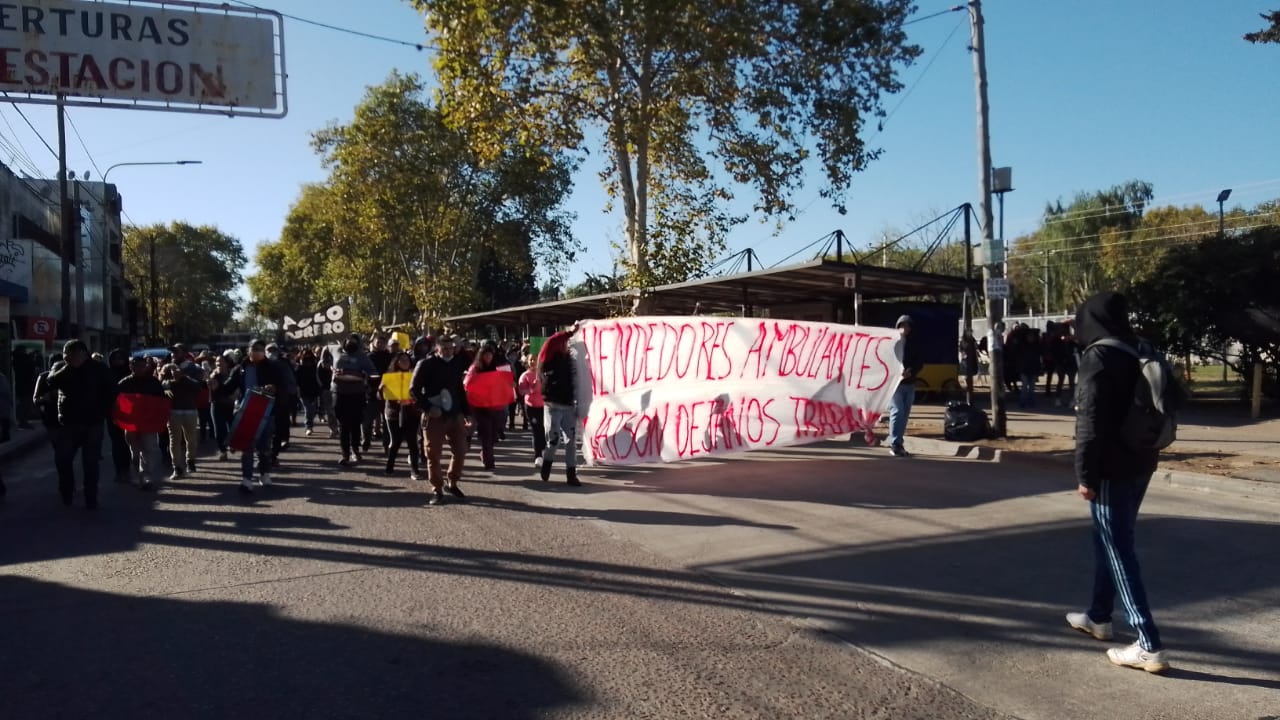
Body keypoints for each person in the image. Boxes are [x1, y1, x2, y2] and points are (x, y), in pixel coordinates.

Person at [1065, 291, 1169, 674]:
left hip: (1111, 467)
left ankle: (1148, 644)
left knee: (1118, 548)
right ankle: (1098, 617)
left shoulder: (1099, 356)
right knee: (1109, 540)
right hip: (1143, 460)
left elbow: (1089, 421)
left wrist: (1085, 474)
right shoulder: (1141, 347)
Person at [46, 340, 115, 509]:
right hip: (69, 423)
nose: (67, 357)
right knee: (63, 459)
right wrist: (68, 366)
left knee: (90, 462)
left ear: (83, 353)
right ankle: (67, 491)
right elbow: (51, 382)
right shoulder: (63, 368)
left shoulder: (99, 369)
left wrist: (103, 412)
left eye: (71, 354)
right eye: (65, 354)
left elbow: (112, 391)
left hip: (93, 423)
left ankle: (91, 496)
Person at [411, 334, 471, 506]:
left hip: (455, 414)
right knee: (433, 454)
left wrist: (467, 413)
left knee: (461, 450)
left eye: (450, 347)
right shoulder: (426, 364)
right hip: (434, 415)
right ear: (436, 348)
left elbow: (460, 390)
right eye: (444, 348)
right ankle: (437, 489)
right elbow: (413, 391)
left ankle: (452, 482)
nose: (448, 351)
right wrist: (429, 408)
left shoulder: (456, 364)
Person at [222, 339, 282, 493]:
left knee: (264, 447)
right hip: (246, 412)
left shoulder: (272, 367)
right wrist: (216, 385)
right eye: (255, 348)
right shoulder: (240, 369)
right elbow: (228, 387)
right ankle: (247, 480)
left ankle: (264, 473)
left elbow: (282, 386)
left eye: (261, 349)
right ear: (248, 350)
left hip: (267, 412)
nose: (258, 351)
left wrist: (274, 387)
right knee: (246, 447)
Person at [115, 356, 168, 491]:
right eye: (136, 365)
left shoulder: (153, 383)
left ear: (146, 366)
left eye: (142, 365)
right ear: (131, 367)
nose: (139, 368)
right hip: (131, 424)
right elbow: (117, 402)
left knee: (148, 448)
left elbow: (161, 401)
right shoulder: (124, 383)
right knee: (135, 451)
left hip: (148, 423)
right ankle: (137, 474)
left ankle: (146, 476)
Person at [537, 331, 581, 486]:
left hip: (568, 404)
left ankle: (571, 474)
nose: (565, 345)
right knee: (553, 441)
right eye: (563, 342)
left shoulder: (571, 360)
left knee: (571, 441)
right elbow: (551, 340)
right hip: (552, 405)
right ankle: (547, 463)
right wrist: (570, 332)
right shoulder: (548, 358)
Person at [464, 342, 515, 470]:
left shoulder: (498, 367)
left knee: (493, 434)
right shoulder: (475, 368)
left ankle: (485, 452)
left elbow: (506, 380)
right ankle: (489, 461)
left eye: (490, 355)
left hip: (495, 405)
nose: (488, 357)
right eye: (485, 355)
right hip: (480, 406)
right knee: (486, 432)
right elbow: (467, 383)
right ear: (481, 356)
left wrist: (511, 383)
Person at [381, 351, 422, 480]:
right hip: (394, 413)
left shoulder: (414, 376)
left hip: (411, 413)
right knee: (396, 442)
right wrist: (382, 389)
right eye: (402, 360)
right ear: (396, 362)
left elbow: (419, 393)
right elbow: (381, 395)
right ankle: (389, 467)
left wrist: (413, 400)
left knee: (412, 442)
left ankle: (415, 470)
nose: (405, 362)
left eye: (407, 360)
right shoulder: (389, 376)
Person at [333, 336, 373, 466]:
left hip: (357, 394)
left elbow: (373, 372)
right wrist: (326, 366)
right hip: (340, 394)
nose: (351, 343)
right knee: (343, 425)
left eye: (354, 342)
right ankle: (345, 454)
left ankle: (355, 450)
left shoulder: (362, 357)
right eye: (348, 341)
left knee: (355, 425)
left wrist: (362, 375)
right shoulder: (336, 352)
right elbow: (325, 356)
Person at [161, 362, 204, 479]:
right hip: (174, 412)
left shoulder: (189, 380)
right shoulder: (166, 383)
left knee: (191, 438)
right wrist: (166, 383)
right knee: (174, 440)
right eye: (172, 371)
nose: (174, 373)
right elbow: (161, 387)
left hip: (190, 411)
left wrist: (183, 377)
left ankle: (190, 460)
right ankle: (177, 467)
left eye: (176, 370)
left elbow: (198, 387)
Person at [886, 315, 921, 458]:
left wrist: (911, 371)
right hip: (895, 384)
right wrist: (899, 373)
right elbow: (888, 360)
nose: (905, 329)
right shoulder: (892, 343)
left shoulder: (914, 343)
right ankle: (894, 443)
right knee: (897, 411)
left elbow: (920, 360)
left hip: (909, 383)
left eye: (908, 326)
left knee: (904, 414)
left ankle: (899, 443)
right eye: (902, 325)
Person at [105, 350, 132, 484]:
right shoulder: (107, 374)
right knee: (116, 443)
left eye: (121, 358)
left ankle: (127, 470)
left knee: (128, 442)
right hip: (113, 413)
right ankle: (119, 471)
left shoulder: (130, 374)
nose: (119, 361)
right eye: (116, 358)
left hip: (129, 413)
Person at [365, 334, 393, 453]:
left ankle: (386, 444)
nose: (380, 344)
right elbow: (364, 373)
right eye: (378, 342)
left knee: (387, 420)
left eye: (382, 342)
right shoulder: (368, 357)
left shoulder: (390, 357)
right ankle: (366, 440)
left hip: (388, 392)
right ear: (373, 343)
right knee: (367, 420)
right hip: (372, 392)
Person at [517, 352, 546, 466]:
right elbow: (521, 391)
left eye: (535, 359)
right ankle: (538, 455)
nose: (533, 362)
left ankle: (543, 450)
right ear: (527, 362)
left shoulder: (542, 374)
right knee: (536, 430)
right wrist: (531, 388)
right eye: (531, 360)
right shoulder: (525, 376)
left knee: (543, 429)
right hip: (531, 407)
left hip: (543, 406)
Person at [209, 353, 238, 461]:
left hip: (230, 405)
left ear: (227, 363)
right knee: (219, 430)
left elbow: (236, 389)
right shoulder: (213, 375)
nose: (218, 363)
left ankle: (232, 444)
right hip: (216, 405)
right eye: (217, 361)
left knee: (233, 428)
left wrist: (235, 395)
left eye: (221, 361)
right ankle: (223, 451)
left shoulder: (232, 374)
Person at [297, 349, 322, 436]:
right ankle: (308, 427)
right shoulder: (300, 367)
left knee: (313, 410)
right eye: (305, 355)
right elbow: (297, 381)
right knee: (308, 409)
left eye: (309, 355)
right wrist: (298, 391)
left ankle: (310, 424)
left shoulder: (315, 367)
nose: (307, 357)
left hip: (314, 391)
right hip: (304, 392)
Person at [958, 330, 979, 398]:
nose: (970, 334)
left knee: (970, 375)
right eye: (968, 332)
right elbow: (961, 350)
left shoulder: (972, 340)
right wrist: (964, 354)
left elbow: (975, 348)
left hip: (972, 360)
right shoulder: (963, 341)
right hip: (965, 360)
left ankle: (969, 390)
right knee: (966, 375)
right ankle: (968, 389)